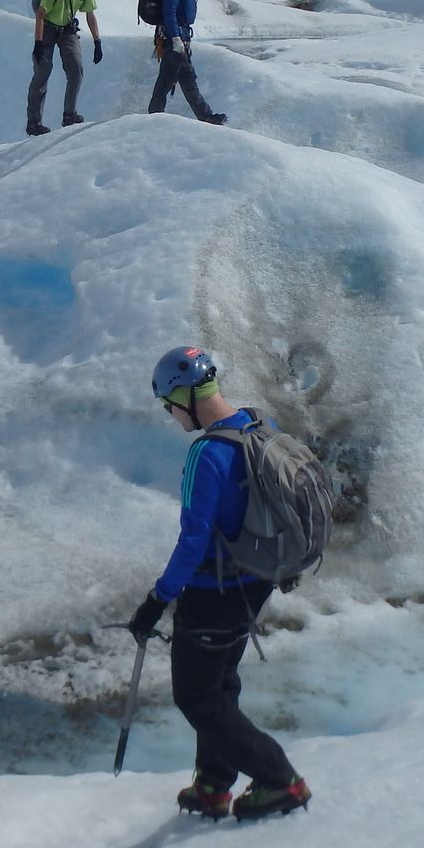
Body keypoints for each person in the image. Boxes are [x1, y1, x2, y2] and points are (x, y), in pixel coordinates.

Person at [127, 346, 309, 822]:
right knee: (220, 683)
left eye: (168, 406)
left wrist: (157, 599)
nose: (170, 416)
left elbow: (193, 541)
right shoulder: (259, 425)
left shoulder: (207, 452)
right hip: (255, 581)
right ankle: (213, 783)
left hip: (215, 593)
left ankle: (280, 779)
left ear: (184, 398)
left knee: (197, 698)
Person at [27, 0, 103, 136]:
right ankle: (34, 123)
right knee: (42, 72)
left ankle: (70, 114)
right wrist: (38, 42)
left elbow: (90, 14)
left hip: (67, 29)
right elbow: (41, 13)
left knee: (76, 69)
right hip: (48, 28)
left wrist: (97, 42)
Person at [146, 0, 225, 126]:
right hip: (172, 39)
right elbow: (169, 12)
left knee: (170, 79)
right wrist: (175, 38)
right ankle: (205, 116)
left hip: (179, 39)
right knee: (184, 78)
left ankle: (155, 115)